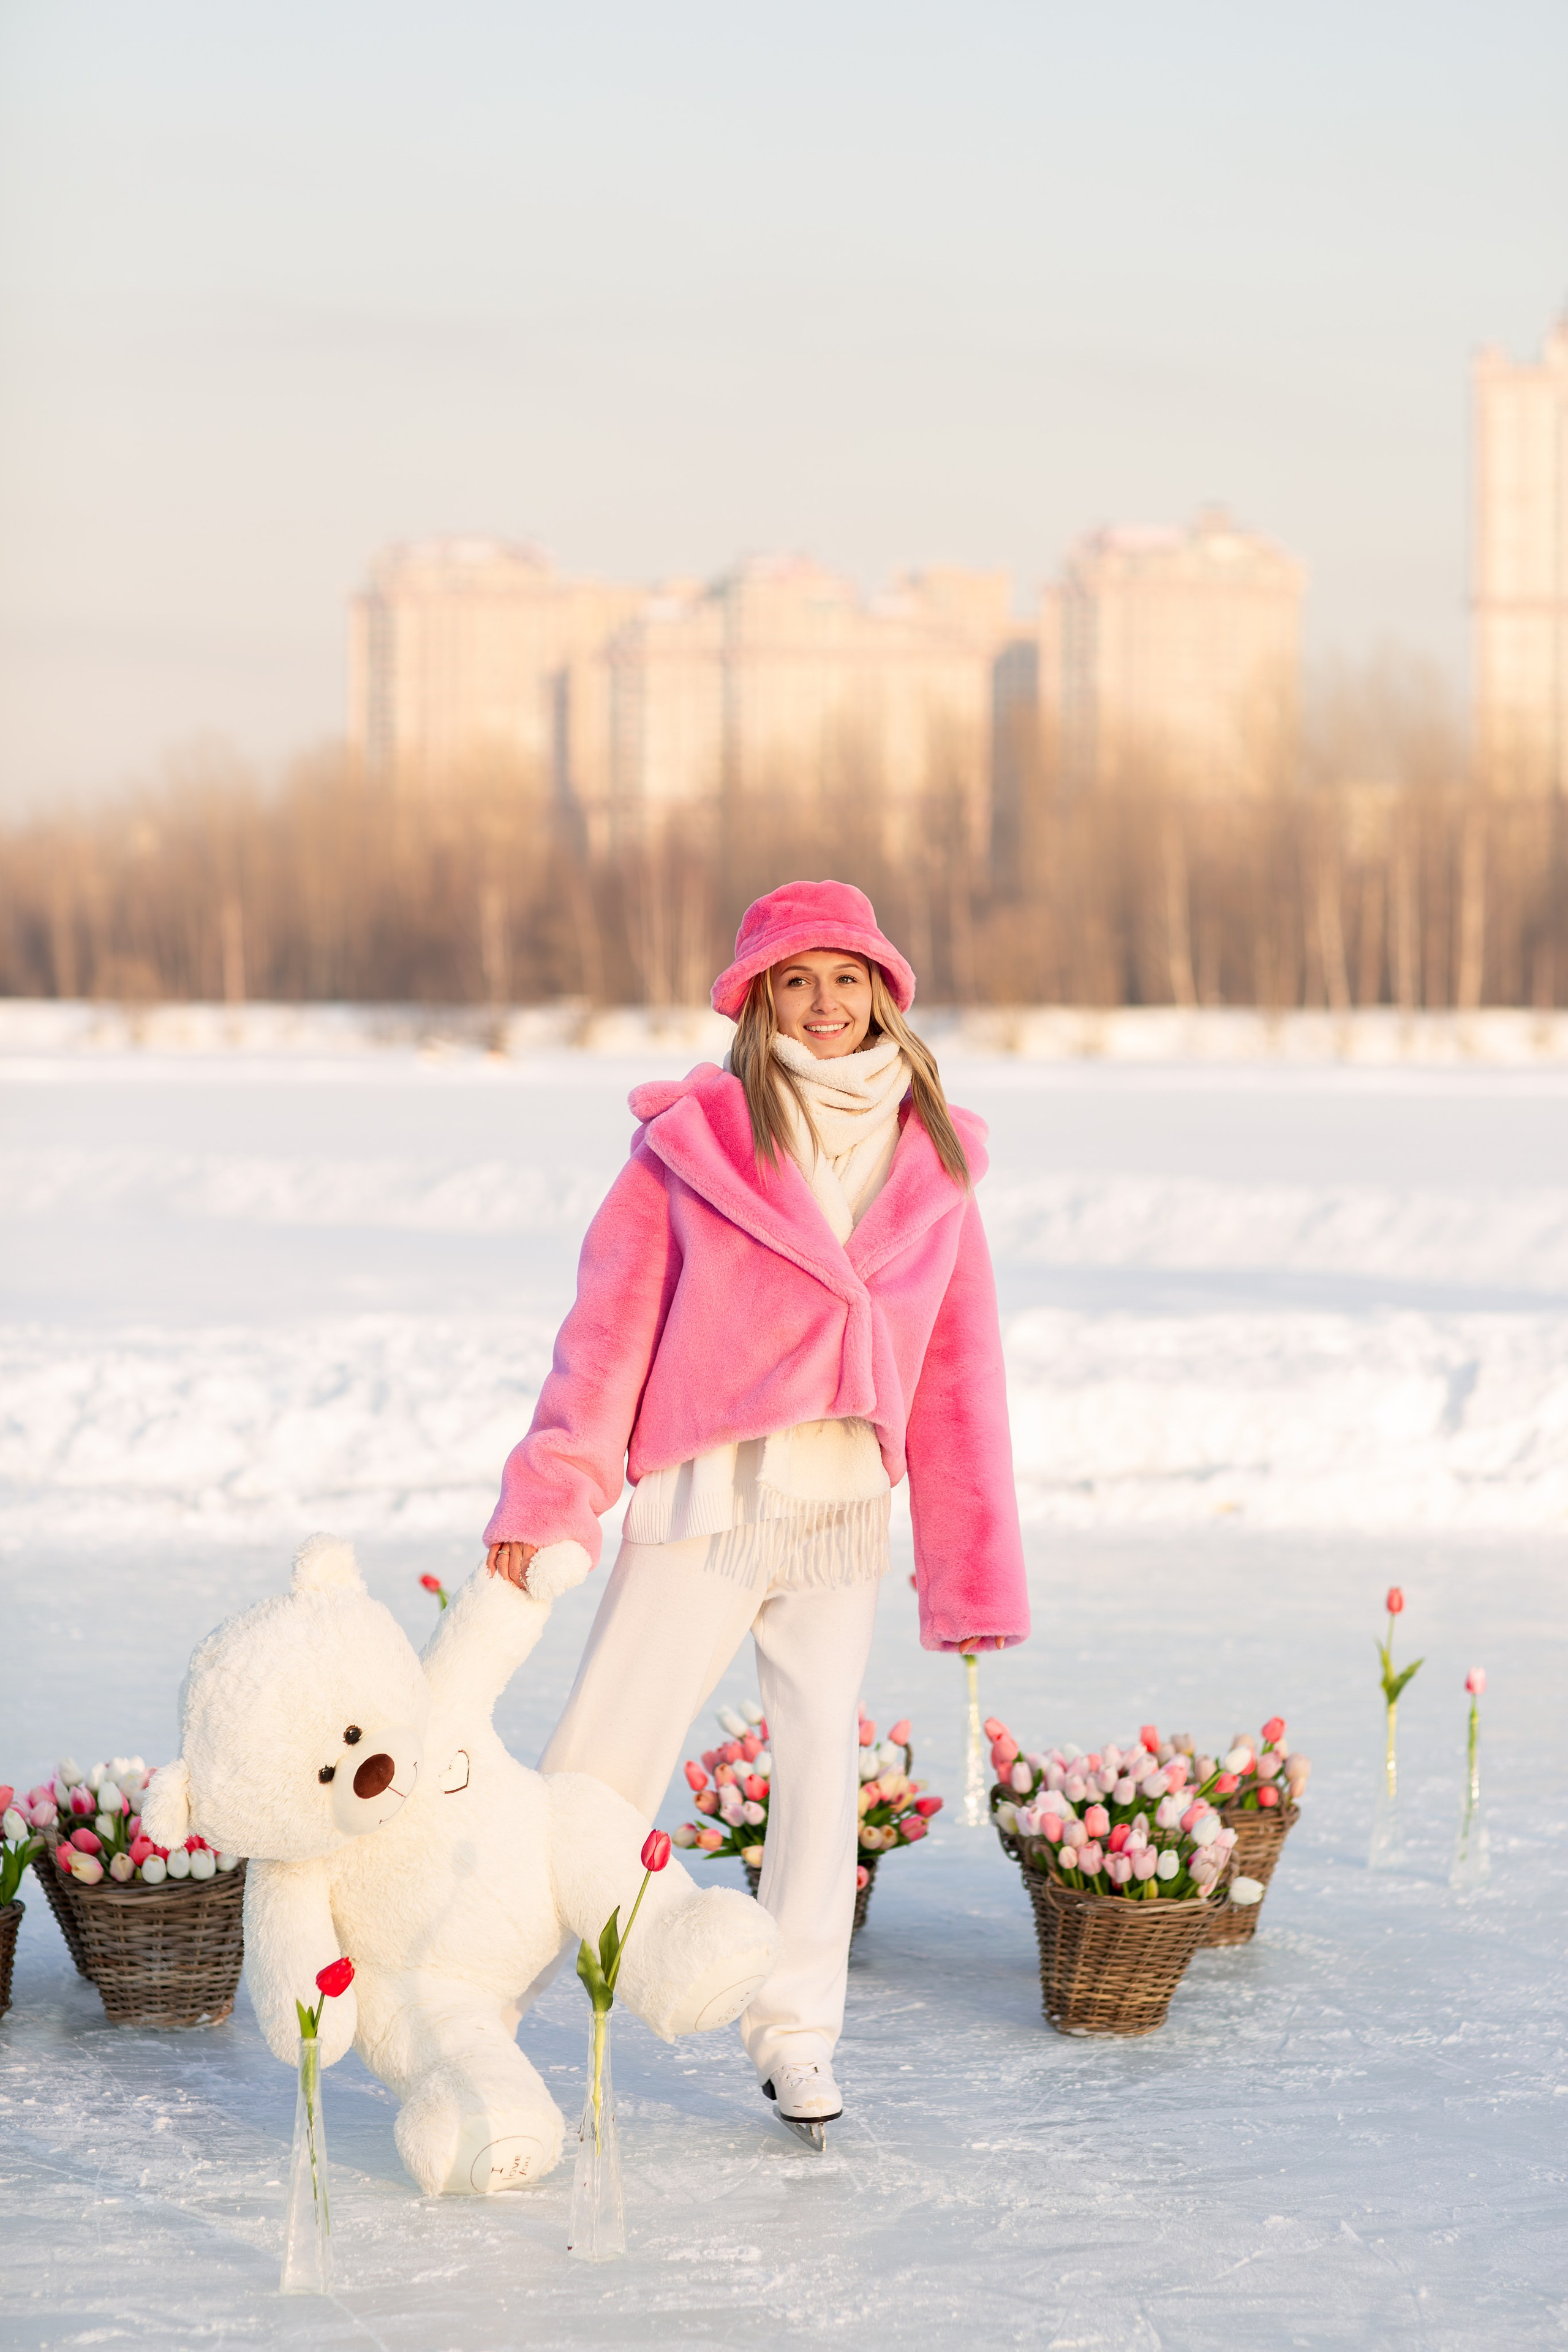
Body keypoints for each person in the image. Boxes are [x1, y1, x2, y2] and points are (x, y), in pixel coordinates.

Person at [483, 878, 1027, 2139]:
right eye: (797, 980)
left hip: (840, 1511)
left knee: (817, 1770)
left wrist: (969, 1571)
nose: (825, 1004)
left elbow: (959, 1376)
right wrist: (555, 1494)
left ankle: (797, 2033)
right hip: (706, 1492)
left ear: (883, 991)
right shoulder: (696, 1139)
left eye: (846, 978)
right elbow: (606, 1334)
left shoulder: (935, 1157)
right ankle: (486, 1989)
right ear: (757, 998)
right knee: (598, 1764)